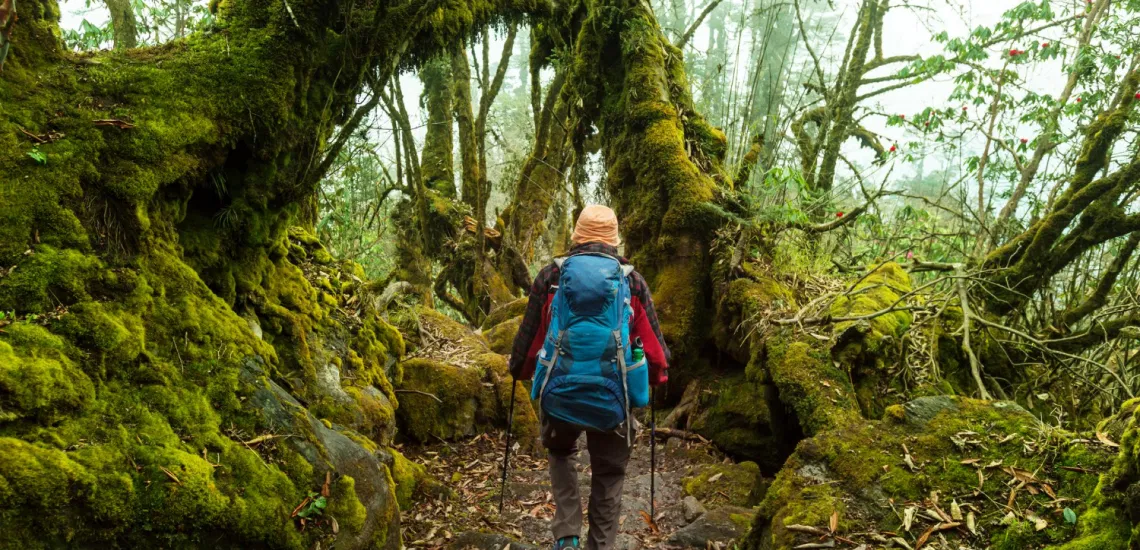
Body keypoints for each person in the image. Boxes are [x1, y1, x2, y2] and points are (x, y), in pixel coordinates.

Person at [508, 205, 670, 550]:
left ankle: (566, 534)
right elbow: (655, 351)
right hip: (614, 395)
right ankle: (600, 545)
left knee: (561, 451)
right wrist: (655, 377)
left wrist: (518, 371)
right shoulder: (631, 280)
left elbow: (529, 339)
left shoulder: (551, 276)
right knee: (609, 473)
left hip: (558, 390)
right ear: (614, 240)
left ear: (576, 236)